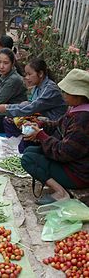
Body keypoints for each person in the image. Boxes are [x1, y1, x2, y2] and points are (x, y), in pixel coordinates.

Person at [21, 68, 89, 205]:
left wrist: (41, 135)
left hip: (79, 174)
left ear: (78, 95)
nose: (63, 94)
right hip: (73, 163)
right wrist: (40, 124)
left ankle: (61, 193)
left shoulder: (83, 120)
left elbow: (63, 152)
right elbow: (58, 124)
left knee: (28, 159)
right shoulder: (76, 110)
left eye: (66, 92)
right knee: (30, 151)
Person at [0, 58, 67, 137]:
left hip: (52, 125)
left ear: (40, 74)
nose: (27, 77)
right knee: (8, 120)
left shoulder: (50, 89)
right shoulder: (37, 87)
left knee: (26, 128)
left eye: (29, 74)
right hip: (40, 117)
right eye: (26, 74)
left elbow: (33, 107)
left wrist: (8, 108)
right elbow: (30, 104)